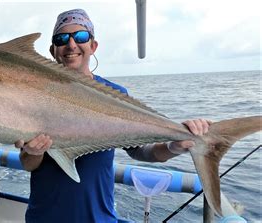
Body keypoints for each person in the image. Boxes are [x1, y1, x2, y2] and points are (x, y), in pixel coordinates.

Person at [18, 9, 212, 223]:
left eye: (81, 36)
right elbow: (28, 163)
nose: (71, 44)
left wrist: (174, 146)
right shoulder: (33, 94)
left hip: (98, 218)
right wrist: (33, 151)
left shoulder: (115, 95)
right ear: (53, 50)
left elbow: (141, 151)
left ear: (93, 46)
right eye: (62, 38)